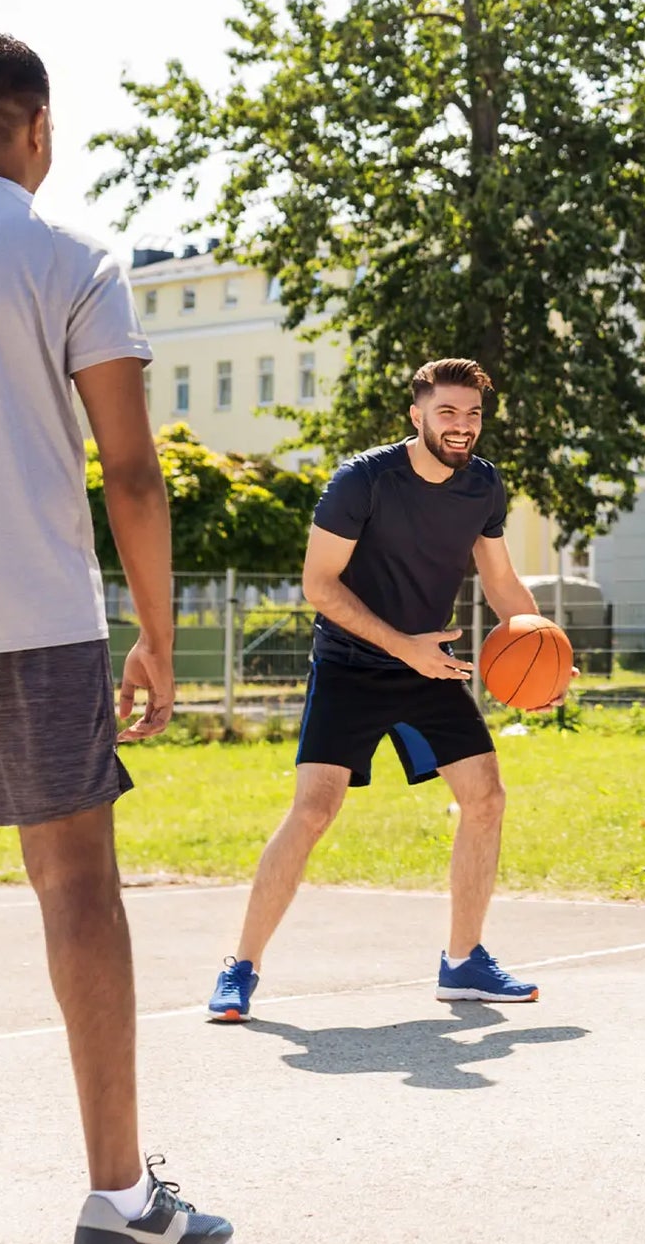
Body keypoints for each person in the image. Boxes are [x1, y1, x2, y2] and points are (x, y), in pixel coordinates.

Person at [0, 32, 233, 1244]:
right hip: (32, 620)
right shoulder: (76, 257)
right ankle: (120, 1202)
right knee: (76, 885)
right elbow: (130, 468)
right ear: (36, 127)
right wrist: (159, 639)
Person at [207, 357, 555, 1021]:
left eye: (472, 414)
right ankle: (240, 967)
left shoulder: (482, 486)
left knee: (485, 798)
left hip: (430, 664)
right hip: (351, 664)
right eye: (447, 412)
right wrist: (403, 647)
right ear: (417, 415)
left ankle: (464, 963)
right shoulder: (362, 481)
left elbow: (503, 581)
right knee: (314, 809)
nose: (461, 426)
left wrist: (544, 648)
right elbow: (319, 585)